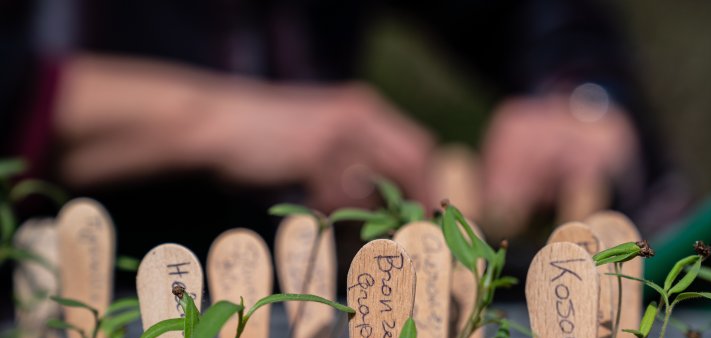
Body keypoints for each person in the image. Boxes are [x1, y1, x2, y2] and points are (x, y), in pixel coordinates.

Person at [2, 0, 672, 243]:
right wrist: (214, 122)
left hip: (316, 308)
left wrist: (578, 101)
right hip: (64, 311)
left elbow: (534, 15)